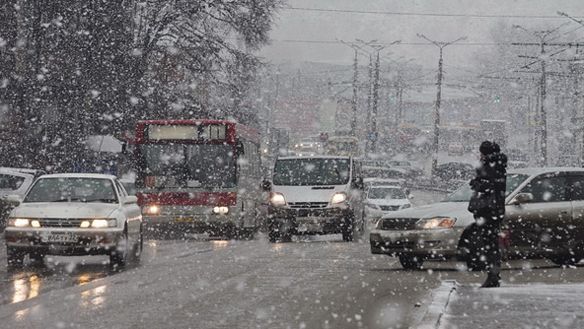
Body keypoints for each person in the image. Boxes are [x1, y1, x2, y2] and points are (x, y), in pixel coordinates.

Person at [468, 141, 507, 288]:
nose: (480, 156)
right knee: (491, 243)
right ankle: (493, 275)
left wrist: (477, 184)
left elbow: (488, 186)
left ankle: (493, 276)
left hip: (489, 211)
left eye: (481, 153)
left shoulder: (491, 165)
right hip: (494, 210)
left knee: (489, 244)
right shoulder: (498, 165)